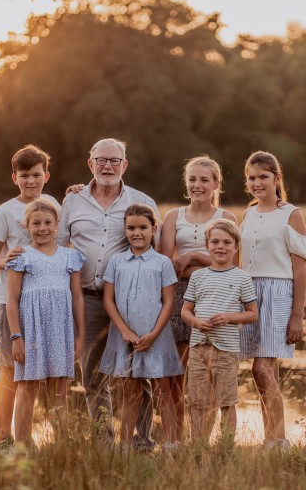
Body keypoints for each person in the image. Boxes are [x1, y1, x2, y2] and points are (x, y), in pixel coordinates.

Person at [57, 138, 160, 450]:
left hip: (129, 301)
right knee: (92, 376)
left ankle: (142, 443)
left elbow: (155, 253)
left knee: (136, 373)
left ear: (124, 165)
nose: (107, 166)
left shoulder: (141, 201)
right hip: (87, 299)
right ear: (90, 164)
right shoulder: (72, 202)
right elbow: (59, 248)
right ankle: (104, 443)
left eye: (114, 160)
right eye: (101, 160)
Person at [0, 144, 61, 451]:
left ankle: (26, 436)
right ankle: (3, 438)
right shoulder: (6, 211)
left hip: (42, 301)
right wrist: (8, 262)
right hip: (8, 300)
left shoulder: (53, 203)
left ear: (46, 175)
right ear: (15, 177)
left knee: (35, 370)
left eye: (37, 175)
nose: (31, 181)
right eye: (25, 175)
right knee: (10, 369)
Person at [159, 155, 237, 441]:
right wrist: (198, 262)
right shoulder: (172, 217)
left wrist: (191, 256)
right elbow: (166, 263)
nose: (197, 185)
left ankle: (201, 438)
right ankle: (175, 439)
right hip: (179, 295)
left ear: (216, 183)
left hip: (215, 295)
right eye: (192, 179)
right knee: (177, 371)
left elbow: (230, 262)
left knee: (210, 372)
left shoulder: (226, 218)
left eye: (204, 180)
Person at [240, 151, 306, 450]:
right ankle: (271, 437)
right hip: (249, 294)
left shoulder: (291, 213)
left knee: (261, 369)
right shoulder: (248, 213)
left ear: (276, 178)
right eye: (252, 178)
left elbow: (300, 268)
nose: (257, 183)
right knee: (267, 371)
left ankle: (279, 439)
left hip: (278, 293)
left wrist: (297, 316)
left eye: (263, 177)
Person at [99, 204, 183, 452]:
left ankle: (170, 445)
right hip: (125, 336)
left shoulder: (162, 263)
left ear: (153, 229)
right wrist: (125, 331)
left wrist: (155, 334)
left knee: (163, 392)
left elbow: (169, 301)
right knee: (130, 393)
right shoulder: (116, 261)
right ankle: (125, 446)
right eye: (131, 228)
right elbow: (108, 300)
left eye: (143, 227)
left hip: (156, 334)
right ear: (125, 230)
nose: (137, 233)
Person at [5, 199, 85, 446]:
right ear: (26, 225)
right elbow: (11, 299)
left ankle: (61, 444)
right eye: (36, 223)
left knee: (59, 390)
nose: (43, 228)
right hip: (31, 331)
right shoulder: (21, 256)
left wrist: (80, 335)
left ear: (57, 224)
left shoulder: (70, 257)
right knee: (27, 388)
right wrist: (17, 337)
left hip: (60, 330)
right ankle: (21, 445)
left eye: (48, 223)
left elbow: (77, 296)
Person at [181, 219, 258, 444]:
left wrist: (230, 318)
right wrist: (195, 322)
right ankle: (198, 446)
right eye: (215, 241)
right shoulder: (198, 276)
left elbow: (252, 313)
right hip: (198, 347)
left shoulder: (242, 277)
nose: (220, 246)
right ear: (207, 245)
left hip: (226, 349)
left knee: (226, 400)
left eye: (227, 242)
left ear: (236, 247)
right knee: (198, 401)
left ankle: (226, 447)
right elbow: (186, 311)